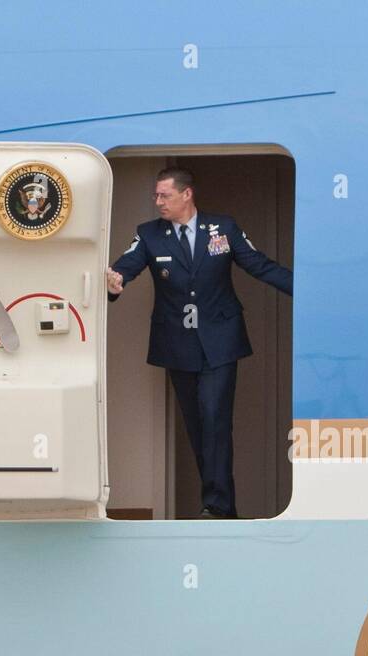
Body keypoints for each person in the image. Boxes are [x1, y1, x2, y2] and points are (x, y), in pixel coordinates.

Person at [107, 167, 292, 519]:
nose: (157, 201)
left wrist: (306, 288)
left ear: (186, 194)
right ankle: (219, 503)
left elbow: (258, 264)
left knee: (215, 418)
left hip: (221, 341)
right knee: (196, 424)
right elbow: (127, 264)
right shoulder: (149, 234)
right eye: (156, 195)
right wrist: (115, 281)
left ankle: (218, 506)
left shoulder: (222, 228)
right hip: (177, 344)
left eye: (165, 195)